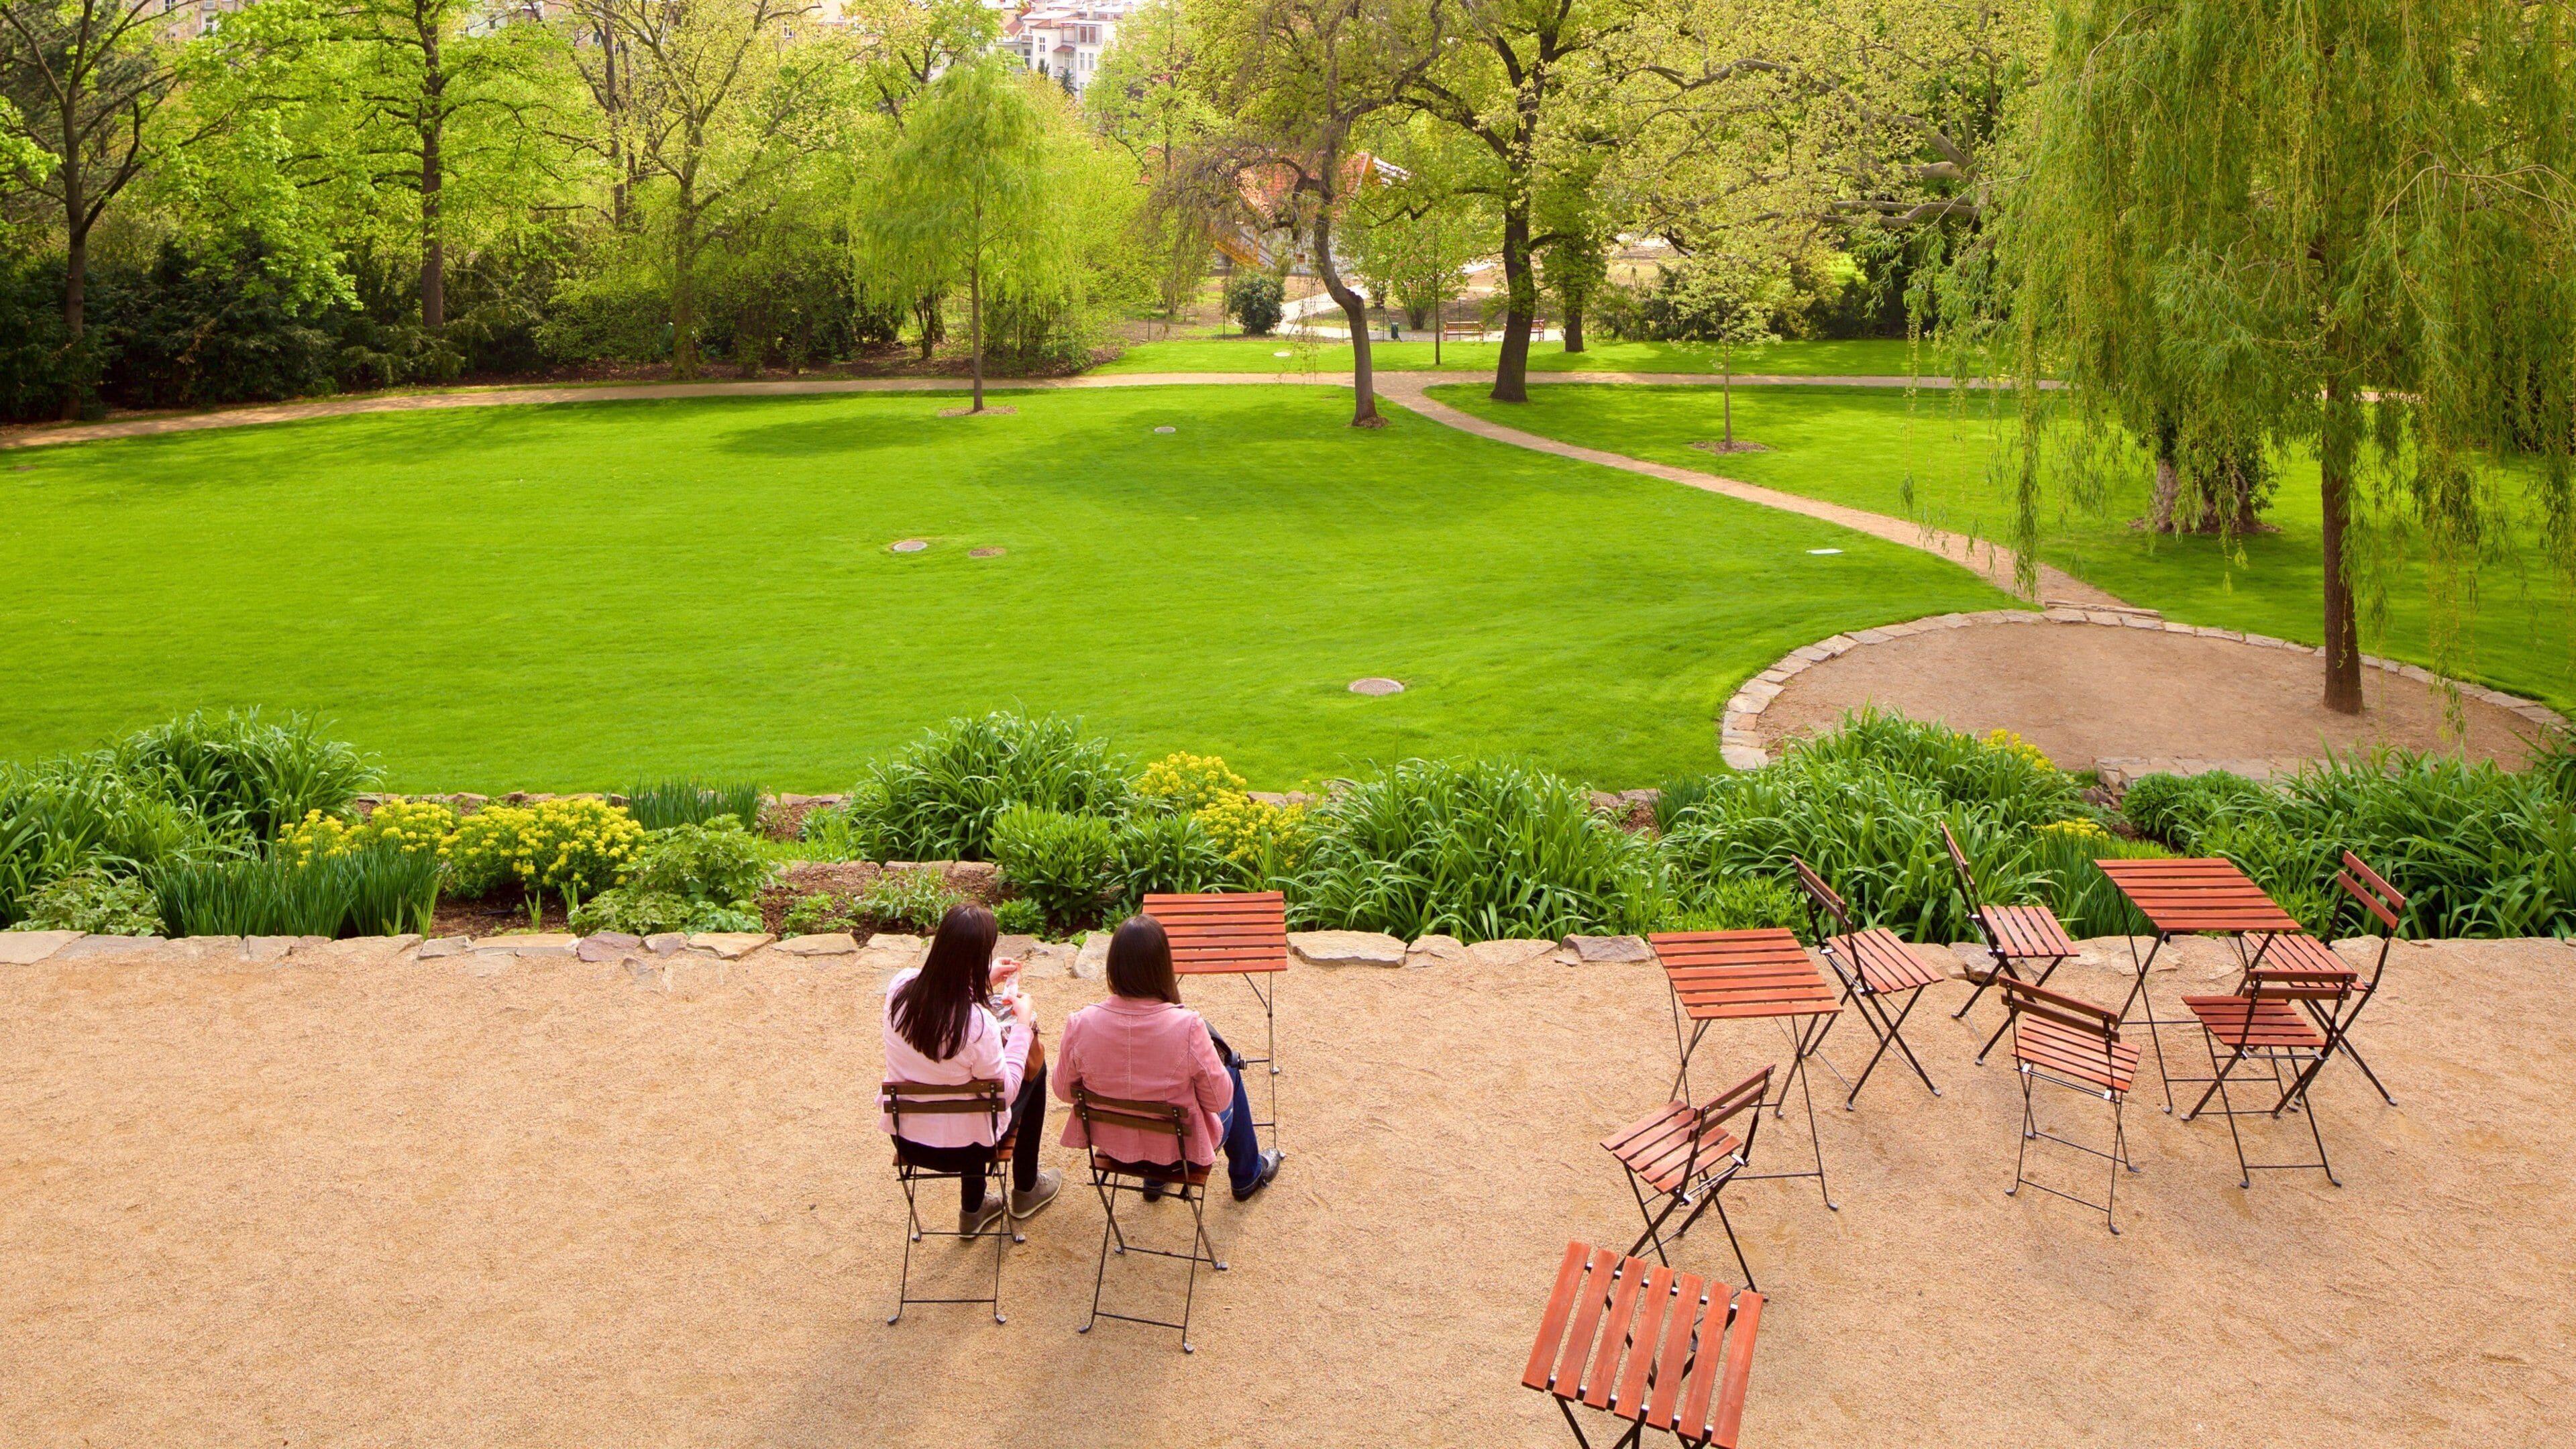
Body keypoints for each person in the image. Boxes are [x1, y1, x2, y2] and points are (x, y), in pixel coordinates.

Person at [1055, 915, 1284, 1202]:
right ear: (1164, 965)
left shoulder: (1081, 1023)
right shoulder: (1187, 1027)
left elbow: (1064, 1092)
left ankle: (1154, 1182)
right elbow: (1219, 1101)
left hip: (1114, 1147)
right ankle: (1246, 1175)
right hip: (1178, 1154)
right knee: (1231, 1075)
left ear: (1112, 964)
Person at [881, 904, 1061, 1237]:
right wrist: (1023, 1025)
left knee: (971, 1094)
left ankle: (975, 1210)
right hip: (970, 1149)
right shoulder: (977, 1024)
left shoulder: (899, 990)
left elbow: (939, 992)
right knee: (1033, 1071)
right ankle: (1026, 1188)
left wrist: (979, 979)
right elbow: (1006, 1092)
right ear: (977, 957)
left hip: (908, 1138)